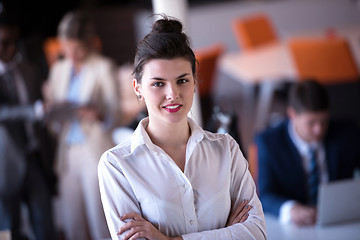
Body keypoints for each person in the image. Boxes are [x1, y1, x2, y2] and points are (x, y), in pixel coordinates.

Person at [98, 16, 266, 240]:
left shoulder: (226, 149)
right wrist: (227, 232)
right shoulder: (117, 166)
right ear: (138, 88)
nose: (172, 94)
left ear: (195, 82)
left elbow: (256, 233)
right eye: (158, 83)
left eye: (182, 80)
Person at [44, 9, 119, 240]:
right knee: (72, 223)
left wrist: (96, 114)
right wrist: (52, 111)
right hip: (67, 153)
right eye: (66, 48)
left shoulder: (103, 67)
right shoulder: (58, 69)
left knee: (99, 221)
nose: (72, 54)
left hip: (94, 151)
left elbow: (115, 116)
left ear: (88, 44)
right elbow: (53, 123)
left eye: (77, 48)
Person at [255, 79, 360, 226]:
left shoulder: (347, 134)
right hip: (296, 229)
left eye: (324, 121)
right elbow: (265, 195)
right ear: (292, 114)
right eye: (311, 123)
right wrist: (290, 209)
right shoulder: (269, 143)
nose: (319, 129)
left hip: (342, 223)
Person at [0, 9, 56, 240]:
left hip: (35, 157)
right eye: (4, 43)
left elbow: (42, 107)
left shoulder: (29, 70)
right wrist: (32, 111)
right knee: (8, 227)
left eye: (15, 41)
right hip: (4, 163)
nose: (12, 48)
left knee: (45, 224)